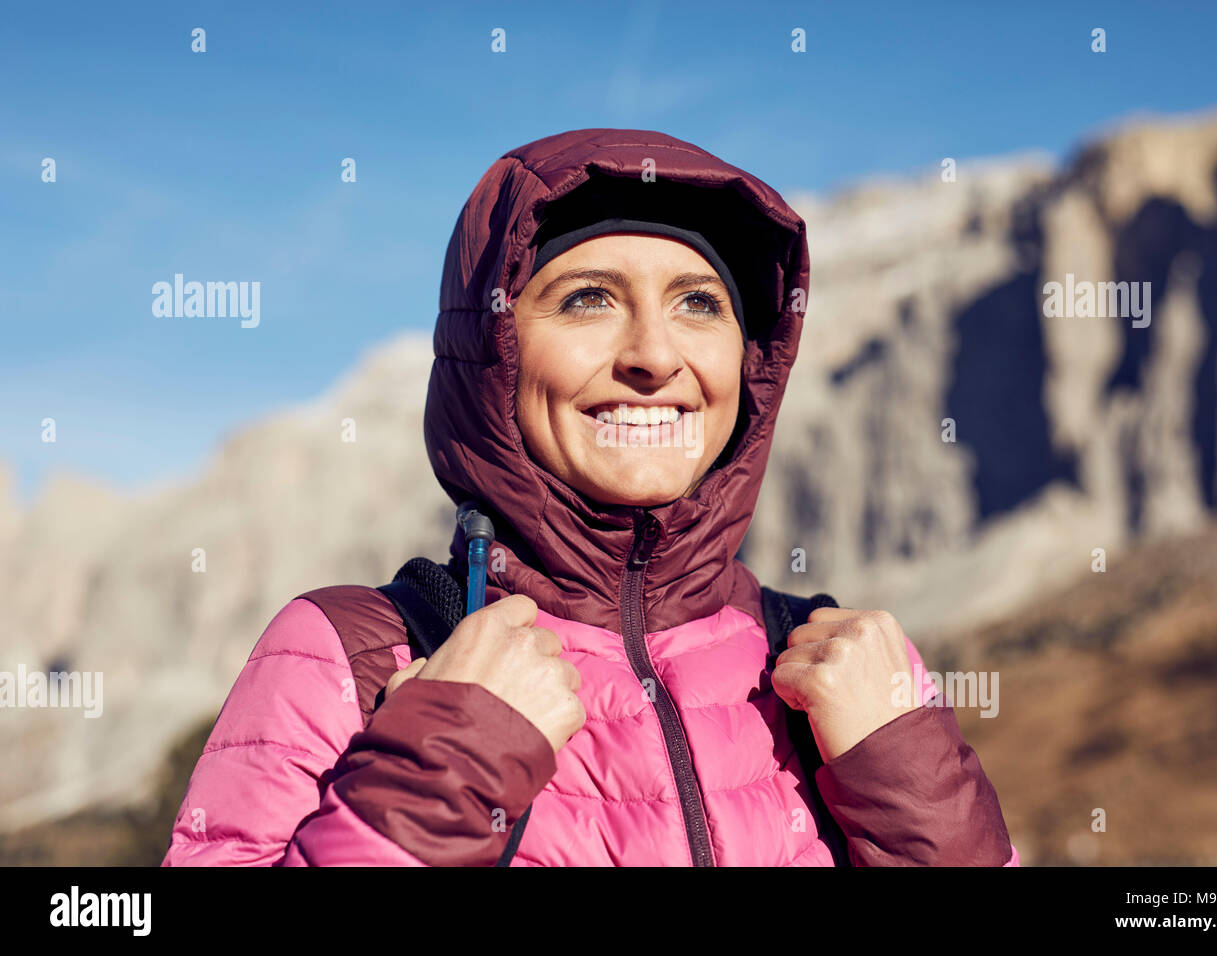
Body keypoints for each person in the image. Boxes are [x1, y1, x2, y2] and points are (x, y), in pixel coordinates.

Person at [161, 128, 1019, 867]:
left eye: (698, 303)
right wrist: (440, 769)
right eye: (588, 300)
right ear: (494, 351)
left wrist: (914, 783)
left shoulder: (834, 660)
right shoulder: (349, 652)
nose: (653, 353)